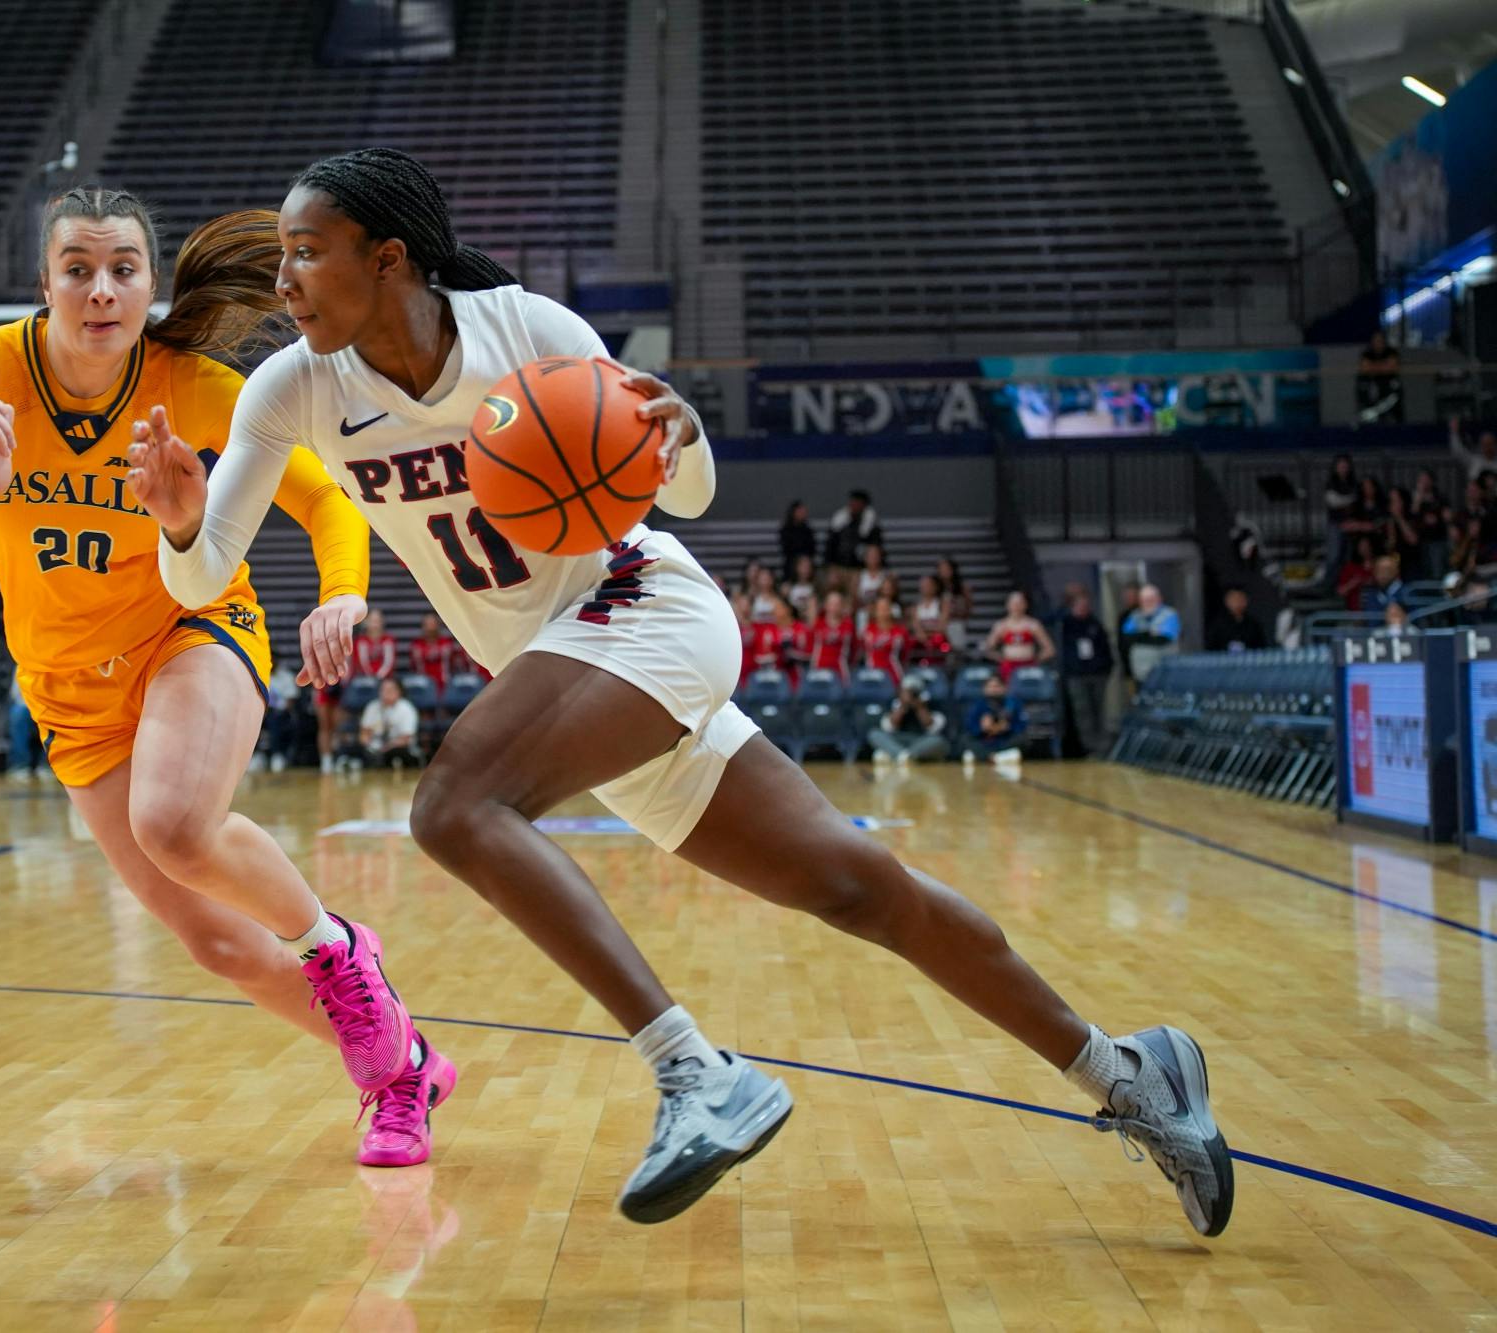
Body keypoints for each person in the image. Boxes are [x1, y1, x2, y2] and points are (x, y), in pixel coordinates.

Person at [148, 147, 1232, 1233]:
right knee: (857, 887)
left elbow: (693, 492)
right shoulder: (293, 389)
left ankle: (692, 1071)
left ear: (387, 259)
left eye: (305, 252)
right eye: (281, 255)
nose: (282, 281)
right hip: (568, 676)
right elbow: (198, 578)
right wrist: (183, 521)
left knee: (454, 807)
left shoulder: (526, 329)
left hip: (644, 608)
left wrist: (684, 429)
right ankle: (1129, 1071)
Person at [0, 186, 447, 1165]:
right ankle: (404, 1069)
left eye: (122, 269)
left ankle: (336, 947)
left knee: (172, 824)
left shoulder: (190, 383)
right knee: (218, 944)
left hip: (191, 630)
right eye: (77, 268)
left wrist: (341, 594)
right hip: (66, 688)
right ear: (42, 284)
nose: (100, 289)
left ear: (149, 284)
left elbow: (327, 500)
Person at [1056, 591, 1114, 756]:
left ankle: (1103, 745)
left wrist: (1106, 667)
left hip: (1097, 673)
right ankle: (1089, 746)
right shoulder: (1066, 624)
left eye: (1085, 606)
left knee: (1100, 709)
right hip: (1076, 675)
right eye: (1079, 606)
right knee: (1083, 711)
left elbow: (1105, 648)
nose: (1082, 609)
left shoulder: (1095, 624)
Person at [867, 678, 948, 766]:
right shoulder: (895, 702)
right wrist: (903, 706)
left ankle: (896, 755)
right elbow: (889, 727)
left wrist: (919, 707)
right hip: (897, 739)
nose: (911, 695)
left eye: (914, 692)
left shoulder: (930, 703)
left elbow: (932, 727)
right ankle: (905, 756)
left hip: (921, 740)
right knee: (874, 734)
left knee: (939, 741)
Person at [981, 591, 1055, 681]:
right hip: (1009, 667)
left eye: (1020, 603)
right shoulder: (1001, 625)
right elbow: (988, 649)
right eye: (1014, 604)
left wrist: (1035, 660)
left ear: (1025, 605)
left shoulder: (1033, 624)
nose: (1016, 607)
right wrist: (1001, 658)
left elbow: (1050, 649)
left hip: (1028, 666)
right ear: (1008, 605)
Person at [1120, 584, 1181, 687]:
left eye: (1151, 599)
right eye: (1144, 600)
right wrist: (1149, 634)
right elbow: (1127, 638)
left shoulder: (1169, 615)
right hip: (1141, 674)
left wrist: (1139, 636)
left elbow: (1162, 639)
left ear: (1159, 599)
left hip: (1165, 674)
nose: (1148, 603)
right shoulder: (1135, 616)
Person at [357, 675, 422, 769]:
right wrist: (366, 743)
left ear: (399, 692)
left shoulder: (407, 708)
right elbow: (364, 733)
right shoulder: (372, 707)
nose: (385, 693)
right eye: (383, 690)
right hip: (375, 748)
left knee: (395, 754)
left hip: (397, 748)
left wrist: (386, 747)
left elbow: (406, 738)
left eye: (390, 690)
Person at [964, 674, 1026, 766]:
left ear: (1004, 688)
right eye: (990, 687)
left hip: (1004, 741)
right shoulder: (978, 705)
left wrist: (1007, 727)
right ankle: (996, 757)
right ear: (984, 689)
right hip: (985, 741)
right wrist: (982, 728)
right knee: (965, 739)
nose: (993, 690)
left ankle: (983, 756)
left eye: (997, 686)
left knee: (1023, 739)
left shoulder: (1013, 703)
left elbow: (1022, 725)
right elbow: (970, 726)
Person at [823, 489, 883, 569]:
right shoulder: (839, 523)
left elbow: (876, 549)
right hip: (840, 566)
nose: (854, 505)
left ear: (864, 505)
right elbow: (830, 547)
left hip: (862, 568)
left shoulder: (872, 526)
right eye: (853, 502)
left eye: (858, 503)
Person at [1356, 330, 1401, 424]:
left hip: (1388, 387)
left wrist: (1373, 367)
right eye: (1376, 340)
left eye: (1380, 340)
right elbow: (1365, 368)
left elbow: (1391, 367)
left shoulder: (1390, 352)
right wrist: (1384, 366)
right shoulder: (1367, 353)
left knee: (1392, 401)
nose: (1378, 343)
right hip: (1372, 387)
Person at [1207, 587, 1267, 653]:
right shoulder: (1217, 624)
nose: (1237, 602)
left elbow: (1261, 647)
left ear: (1246, 601)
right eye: (1234, 599)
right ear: (1226, 601)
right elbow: (1210, 648)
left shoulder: (1253, 624)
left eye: (1240, 599)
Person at [1359, 554, 1405, 618]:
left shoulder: (1407, 593)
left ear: (1396, 571)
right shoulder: (1370, 596)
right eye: (1379, 570)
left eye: (1387, 570)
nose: (1383, 574)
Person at [777, 500, 815, 574]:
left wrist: (804, 558)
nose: (803, 514)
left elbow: (812, 549)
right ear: (793, 512)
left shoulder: (808, 530)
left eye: (804, 512)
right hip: (791, 562)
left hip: (806, 561)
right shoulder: (786, 530)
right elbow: (786, 549)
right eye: (800, 511)